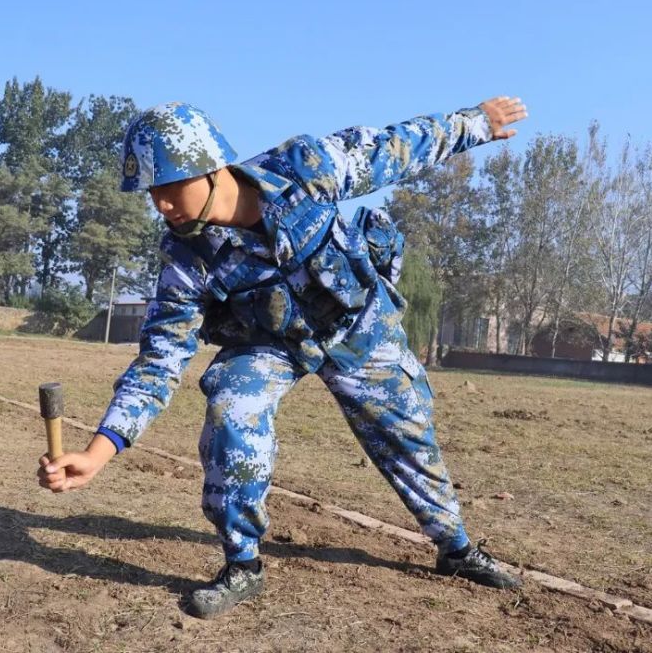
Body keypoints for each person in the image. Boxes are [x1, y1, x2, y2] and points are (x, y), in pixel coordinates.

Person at [38, 95, 529, 619]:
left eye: (169, 185)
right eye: (151, 191)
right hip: (268, 343)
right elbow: (159, 360)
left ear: (211, 166)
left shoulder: (306, 170)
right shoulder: (186, 259)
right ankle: (242, 564)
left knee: (409, 438)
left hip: (358, 327)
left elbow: (399, 148)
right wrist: (97, 452)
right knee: (233, 405)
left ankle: (454, 548)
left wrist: (476, 124)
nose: (160, 203)